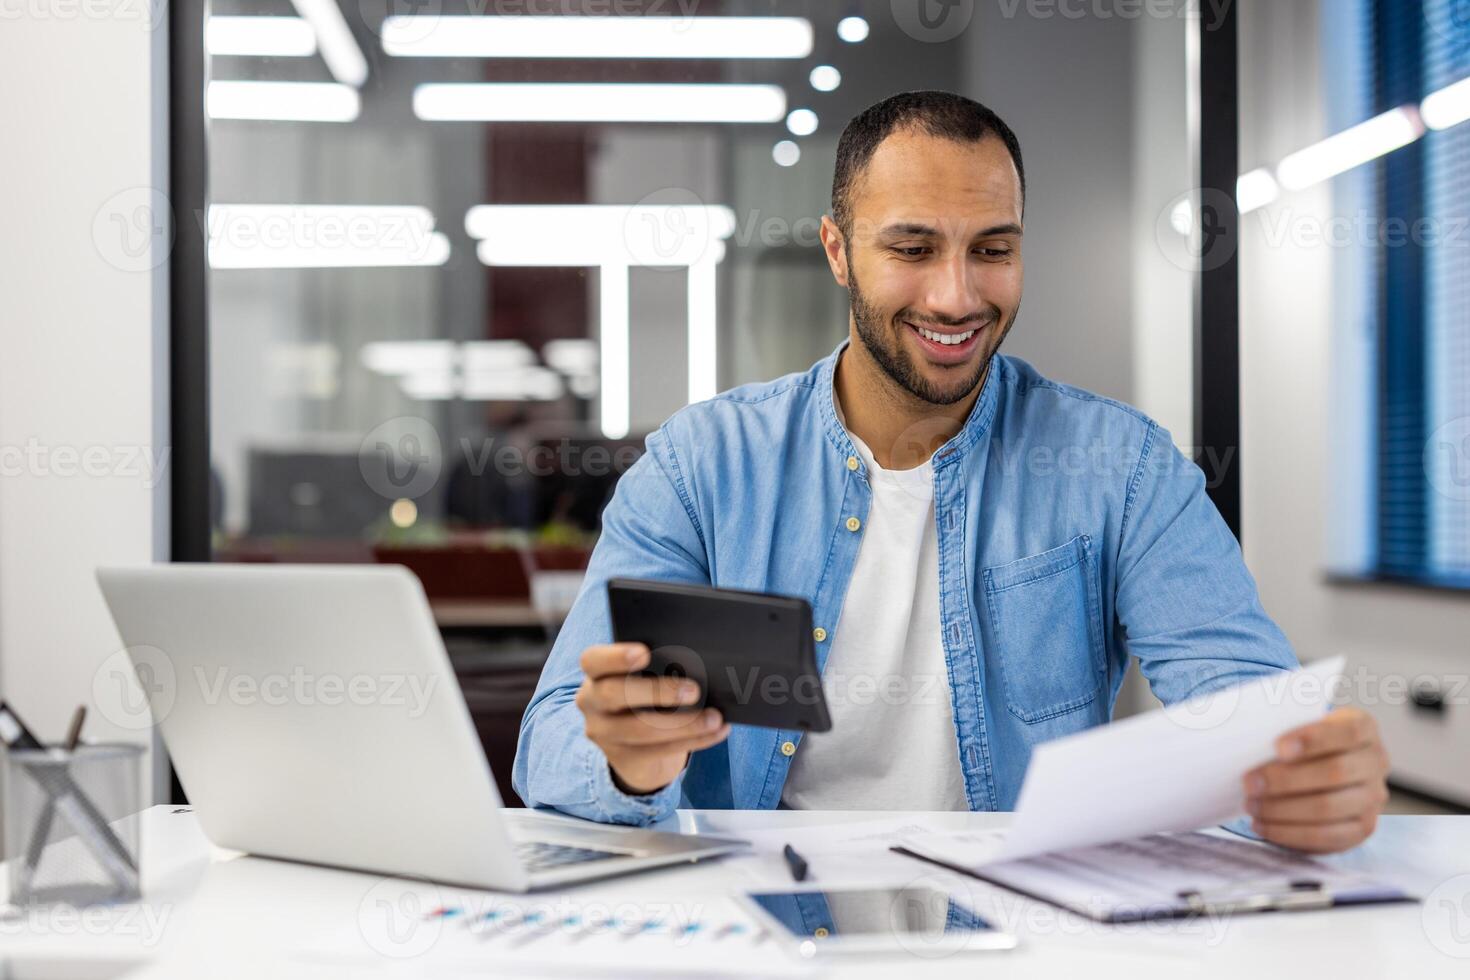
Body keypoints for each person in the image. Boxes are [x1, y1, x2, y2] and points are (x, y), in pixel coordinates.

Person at [512, 91, 1389, 854]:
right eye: (913, 248)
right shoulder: (702, 465)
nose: (957, 296)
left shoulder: (1119, 468)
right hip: (760, 931)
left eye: (993, 249)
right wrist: (624, 763)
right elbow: (550, 750)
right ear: (837, 251)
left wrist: (1303, 785)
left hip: (1019, 932)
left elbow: (1251, 716)